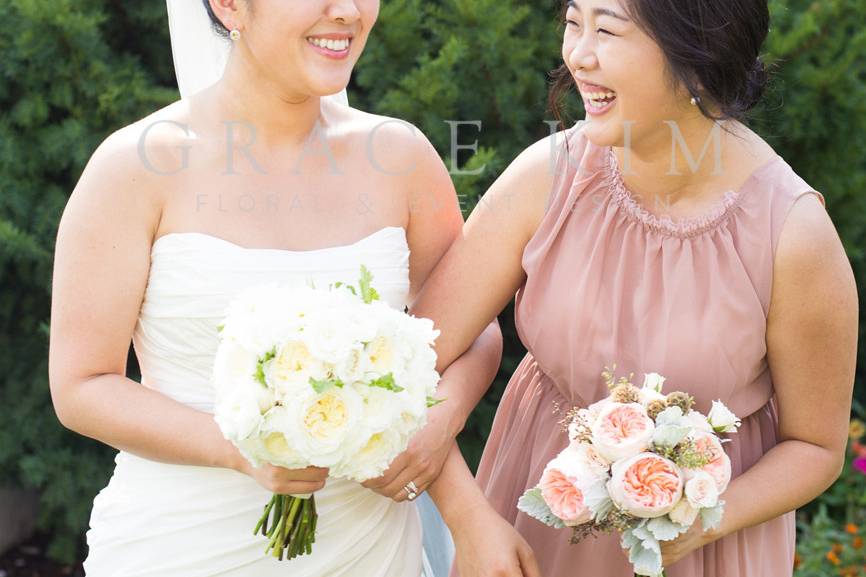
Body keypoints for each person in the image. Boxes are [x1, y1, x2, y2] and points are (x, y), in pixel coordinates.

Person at [48, 1, 499, 575]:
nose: (348, 11)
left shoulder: (401, 158)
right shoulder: (135, 168)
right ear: (231, 4)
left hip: (370, 549)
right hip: (183, 546)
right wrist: (239, 450)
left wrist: (444, 414)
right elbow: (81, 385)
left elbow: (471, 327)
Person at [413, 0, 859, 576]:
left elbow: (816, 447)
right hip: (529, 532)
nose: (579, 54)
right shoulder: (549, 176)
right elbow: (414, 361)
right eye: (574, 24)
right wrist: (468, 521)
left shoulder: (792, 235)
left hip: (700, 552)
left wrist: (696, 522)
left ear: (698, 52)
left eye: (608, 30)